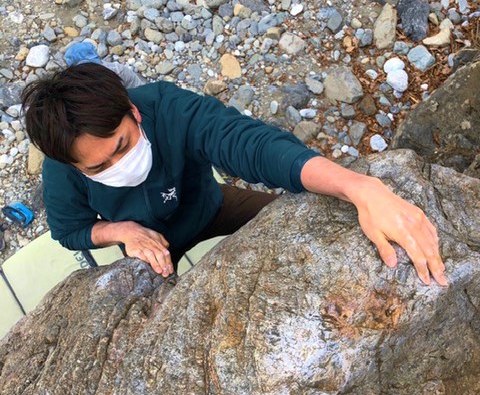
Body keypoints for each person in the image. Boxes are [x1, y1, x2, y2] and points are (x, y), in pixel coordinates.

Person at [22, 63, 447, 286]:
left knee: (302, 218)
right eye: (97, 168)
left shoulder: (167, 107)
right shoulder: (61, 168)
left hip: (211, 204)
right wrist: (121, 231)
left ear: (133, 111)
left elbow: (252, 145)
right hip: (149, 245)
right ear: (72, 165)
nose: (118, 166)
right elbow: (69, 230)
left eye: (122, 146)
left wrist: (360, 187)